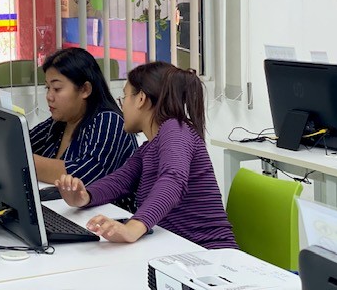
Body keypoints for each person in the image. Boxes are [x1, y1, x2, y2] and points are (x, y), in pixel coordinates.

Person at [55, 61, 238, 249]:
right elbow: (120, 181)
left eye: (124, 97)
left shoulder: (175, 129)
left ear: (141, 99)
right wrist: (85, 196)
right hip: (179, 249)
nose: (122, 107)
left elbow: (173, 180)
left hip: (209, 252)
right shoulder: (149, 147)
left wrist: (133, 227)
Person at [30, 48, 138, 187]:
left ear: (85, 89)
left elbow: (84, 175)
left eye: (57, 88)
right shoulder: (59, 121)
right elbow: (22, 144)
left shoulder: (109, 121)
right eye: (47, 88)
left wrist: (27, 162)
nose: (49, 96)